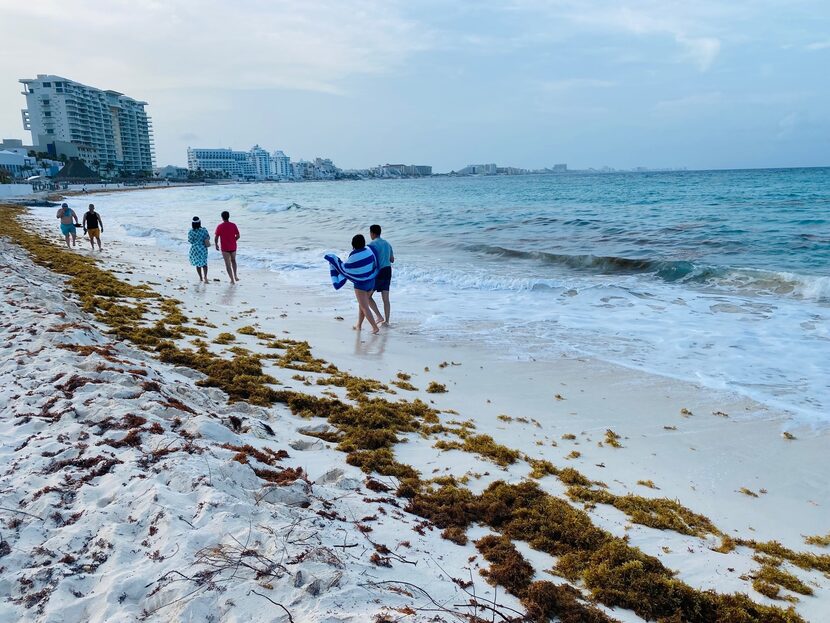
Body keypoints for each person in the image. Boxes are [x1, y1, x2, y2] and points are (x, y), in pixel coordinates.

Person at [324, 235, 382, 334]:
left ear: (353, 244)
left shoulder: (354, 256)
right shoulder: (369, 252)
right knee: (362, 304)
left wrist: (333, 261)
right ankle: (358, 325)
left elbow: (345, 269)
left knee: (364, 307)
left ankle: (375, 327)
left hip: (361, 285)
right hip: (371, 281)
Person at [368, 224, 394, 325]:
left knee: (367, 296)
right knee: (386, 298)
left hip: (378, 271)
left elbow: (370, 260)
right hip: (388, 271)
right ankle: (387, 321)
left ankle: (379, 316)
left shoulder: (371, 245)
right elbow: (392, 260)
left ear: (372, 233)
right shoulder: (388, 244)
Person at [214, 210, 240, 284]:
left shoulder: (220, 226)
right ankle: (235, 275)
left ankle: (232, 280)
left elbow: (216, 237)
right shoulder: (233, 225)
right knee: (233, 260)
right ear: (229, 216)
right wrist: (233, 241)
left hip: (225, 248)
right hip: (233, 246)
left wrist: (216, 244)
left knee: (227, 263)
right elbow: (238, 236)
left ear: (222, 217)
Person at [188, 216, 211, 283]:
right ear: (199, 223)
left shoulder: (191, 231)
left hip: (195, 249)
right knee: (204, 263)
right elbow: (208, 237)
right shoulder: (204, 230)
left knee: (198, 264)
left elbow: (190, 241)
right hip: (203, 248)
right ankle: (205, 277)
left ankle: (200, 277)